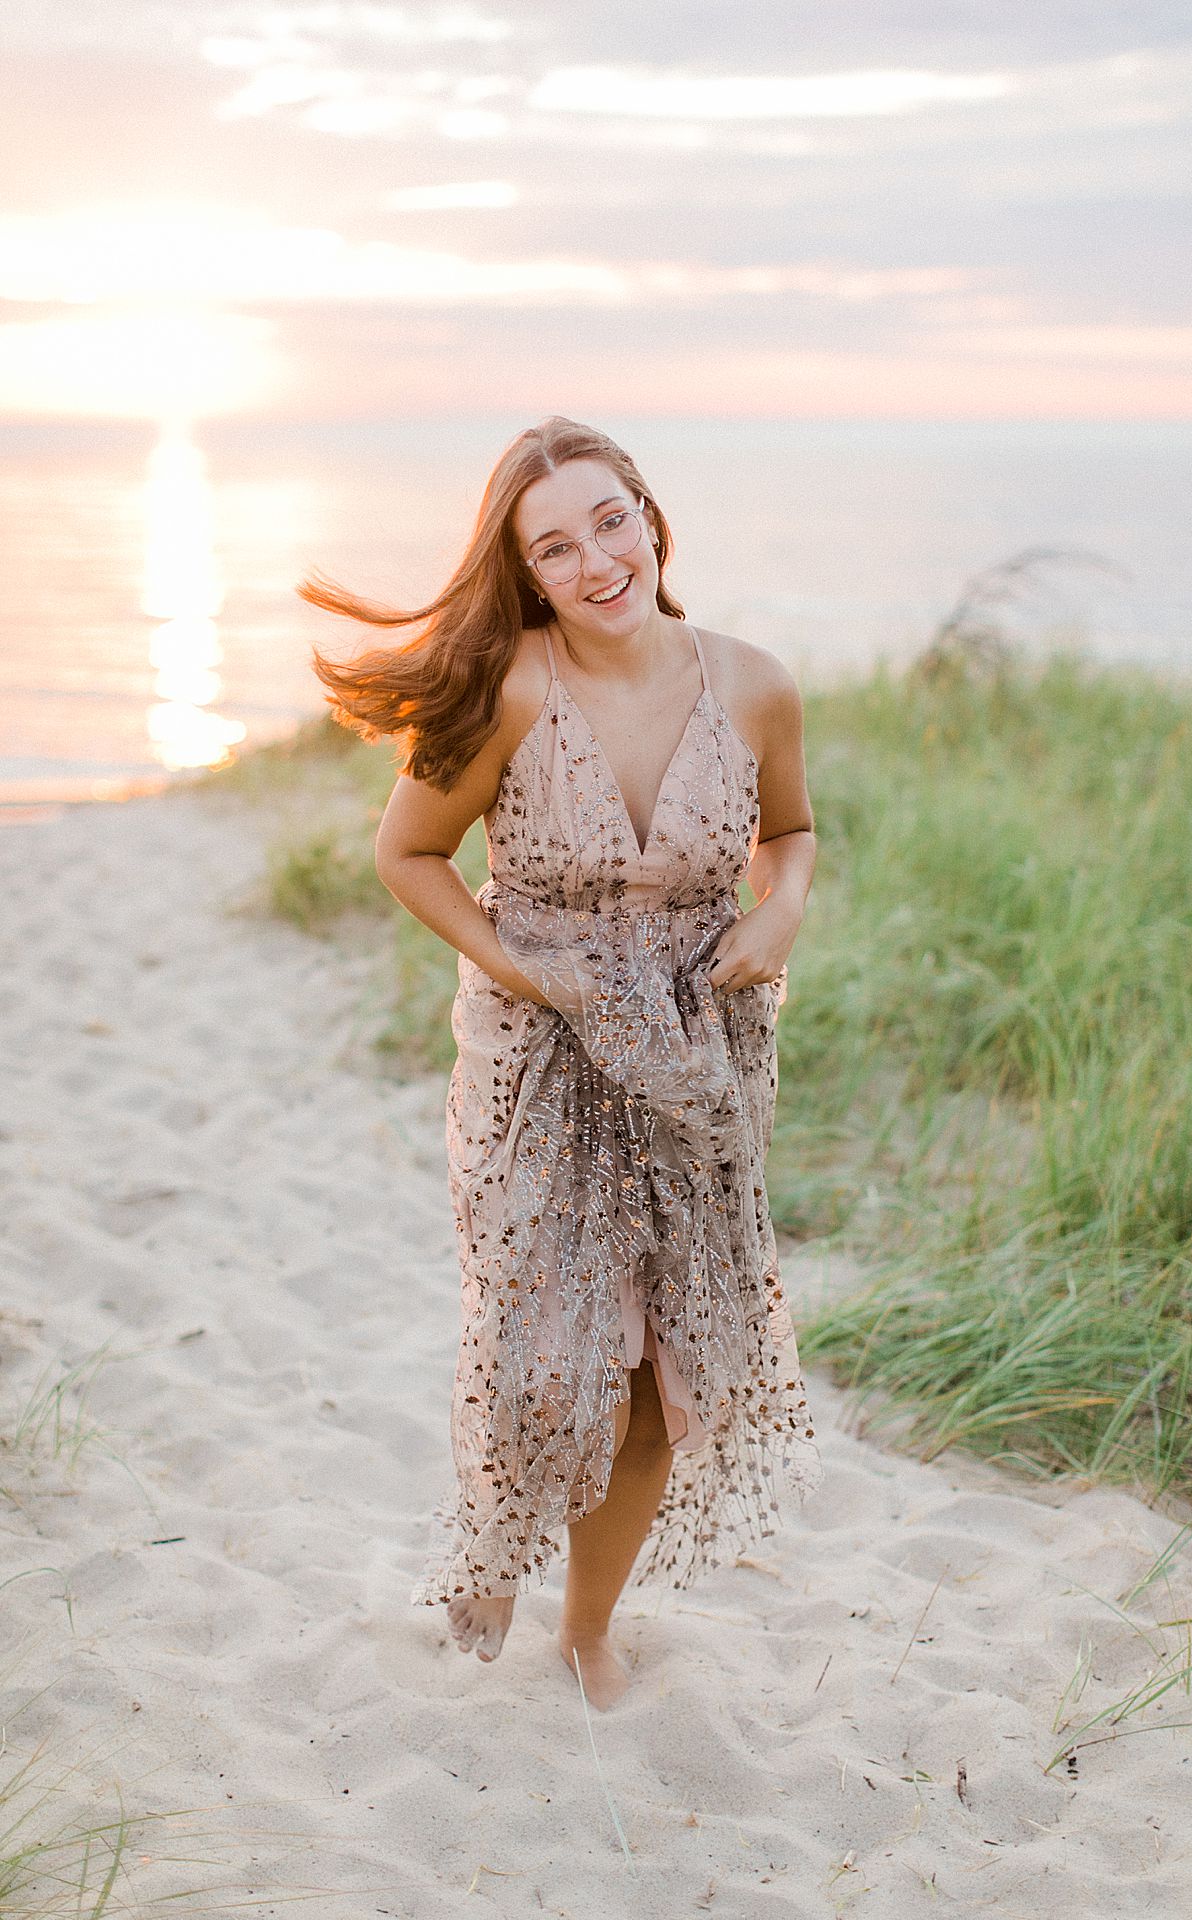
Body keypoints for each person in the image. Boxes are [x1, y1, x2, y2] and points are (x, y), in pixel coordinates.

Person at [301, 416, 822, 1709]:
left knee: (660, 1377)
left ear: (650, 516)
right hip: (539, 1066)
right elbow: (406, 854)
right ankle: (500, 1564)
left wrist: (782, 910)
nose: (596, 560)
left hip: (701, 1067)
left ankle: (589, 1626)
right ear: (527, 574)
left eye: (609, 520)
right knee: (550, 1361)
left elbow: (796, 831)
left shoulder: (754, 684)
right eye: (554, 546)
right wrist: (521, 968)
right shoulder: (509, 693)